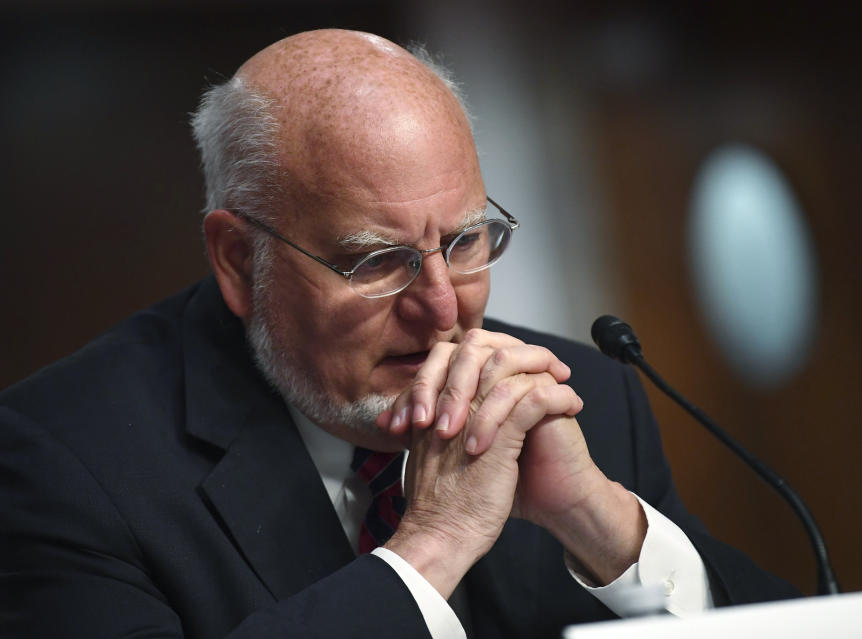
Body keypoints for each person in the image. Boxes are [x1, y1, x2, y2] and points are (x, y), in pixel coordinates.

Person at [0, 29, 797, 638]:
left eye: (466, 242)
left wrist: (601, 526)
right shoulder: (60, 463)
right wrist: (432, 544)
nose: (444, 310)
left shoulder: (590, 398)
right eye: (377, 261)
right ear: (240, 260)